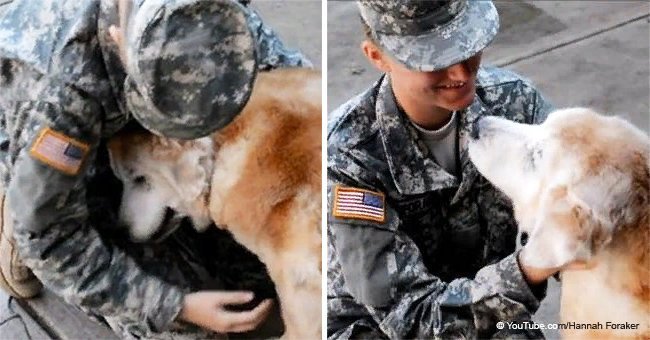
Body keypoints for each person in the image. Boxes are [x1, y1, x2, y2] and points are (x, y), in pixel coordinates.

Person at [0, 0, 311, 338]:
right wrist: (173, 305)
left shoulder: (206, 18)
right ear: (118, 39)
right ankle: (15, 216)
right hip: (54, 150)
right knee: (189, 330)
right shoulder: (60, 100)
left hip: (138, 134)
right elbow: (49, 240)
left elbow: (292, 82)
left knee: (259, 278)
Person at [327, 1, 560, 339]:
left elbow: (582, 204)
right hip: (380, 329)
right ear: (377, 56)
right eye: (432, 58)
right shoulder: (348, 157)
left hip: (491, 317)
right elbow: (409, 317)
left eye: (465, 45)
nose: (461, 73)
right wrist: (530, 268)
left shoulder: (516, 105)